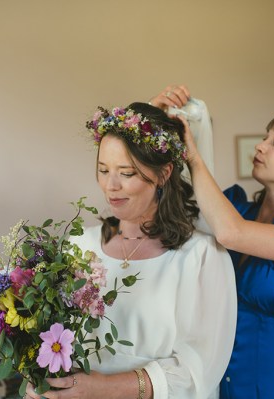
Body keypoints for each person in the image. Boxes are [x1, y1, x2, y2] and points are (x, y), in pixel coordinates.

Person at [150, 85, 274, 398]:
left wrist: (194, 155)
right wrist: (154, 121)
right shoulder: (238, 207)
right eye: (265, 137)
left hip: (273, 382)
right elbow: (176, 202)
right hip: (218, 378)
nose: (260, 146)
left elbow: (231, 233)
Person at [25, 102, 237, 399]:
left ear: (163, 174)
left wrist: (102, 388)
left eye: (126, 173)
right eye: (103, 170)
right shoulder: (76, 246)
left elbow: (198, 371)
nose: (111, 186)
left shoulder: (201, 257)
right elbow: (51, 343)